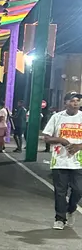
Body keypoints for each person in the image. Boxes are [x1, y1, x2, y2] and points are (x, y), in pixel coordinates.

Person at [42, 92, 82, 230]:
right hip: (59, 160)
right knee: (60, 192)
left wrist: (78, 146)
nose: (75, 103)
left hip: (78, 162)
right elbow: (46, 137)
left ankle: (71, 208)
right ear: (65, 102)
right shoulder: (57, 117)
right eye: (72, 100)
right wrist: (62, 140)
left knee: (78, 189)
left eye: (78, 100)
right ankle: (60, 218)